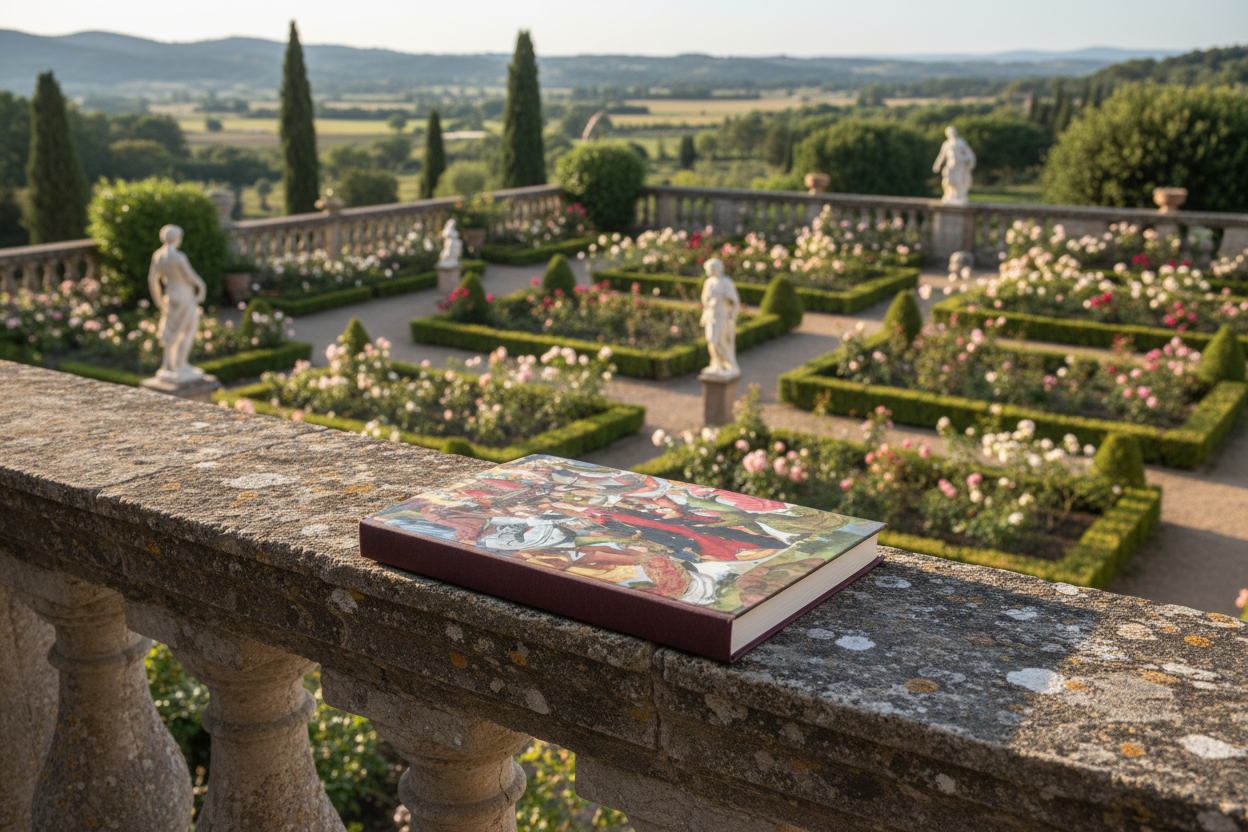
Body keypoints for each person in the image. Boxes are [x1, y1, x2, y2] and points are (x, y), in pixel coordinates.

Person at [147, 224, 207, 382]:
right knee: (189, 328)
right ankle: (179, 365)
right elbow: (190, 276)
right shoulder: (178, 257)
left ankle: (170, 365)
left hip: (170, 295)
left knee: (171, 332)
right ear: (177, 238)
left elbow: (152, 280)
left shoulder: (158, 255)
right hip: (184, 295)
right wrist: (202, 286)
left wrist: (158, 300)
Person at [700, 258, 740, 378]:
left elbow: (735, 301)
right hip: (711, 314)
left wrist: (732, 316)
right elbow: (704, 298)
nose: (708, 271)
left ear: (717, 269)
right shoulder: (708, 282)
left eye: (710, 269)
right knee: (711, 340)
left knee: (720, 341)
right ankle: (716, 365)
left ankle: (731, 366)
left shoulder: (726, 282)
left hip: (722, 315)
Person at [932, 126, 976, 205]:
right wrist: (937, 165)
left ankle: (958, 196)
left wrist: (965, 159)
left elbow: (969, 154)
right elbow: (941, 155)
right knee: (948, 180)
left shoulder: (961, 142)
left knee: (958, 181)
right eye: (949, 132)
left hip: (959, 165)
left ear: (956, 132)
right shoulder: (946, 143)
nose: (951, 134)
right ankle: (949, 195)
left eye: (952, 132)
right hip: (951, 164)